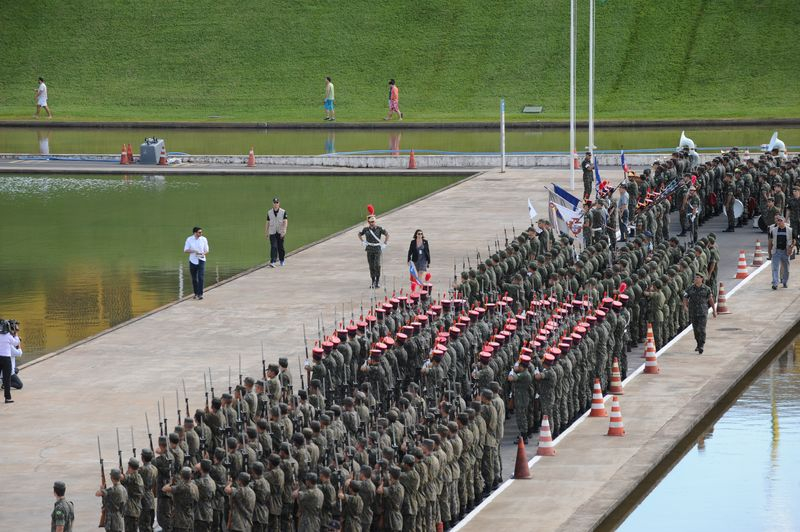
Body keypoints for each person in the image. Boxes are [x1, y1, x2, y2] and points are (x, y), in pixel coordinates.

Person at [682, 272, 717, 354]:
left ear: (702, 279)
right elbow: (685, 297)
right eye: (695, 277)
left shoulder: (707, 289)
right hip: (693, 312)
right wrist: (685, 306)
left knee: (702, 329)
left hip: (703, 312)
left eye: (698, 277)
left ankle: (701, 345)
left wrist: (714, 310)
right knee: (696, 330)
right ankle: (698, 343)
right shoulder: (690, 288)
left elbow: (711, 300)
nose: (696, 279)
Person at [357, 213, 389, 289]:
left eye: (373, 221)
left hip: (377, 248)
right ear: (368, 222)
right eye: (371, 222)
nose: (372, 223)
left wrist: (385, 243)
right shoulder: (366, 229)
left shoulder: (379, 229)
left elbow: (387, 234)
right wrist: (362, 241)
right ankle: (373, 281)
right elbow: (359, 234)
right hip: (369, 249)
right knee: (371, 266)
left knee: (377, 265)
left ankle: (377, 281)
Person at [768, 216, 795, 289]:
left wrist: (791, 247)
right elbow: (770, 242)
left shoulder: (790, 230)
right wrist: (770, 253)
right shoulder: (773, 230)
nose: (779, 222)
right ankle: (775, 283)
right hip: (776, 251)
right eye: (778, 221)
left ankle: (785, 282)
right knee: (775, 268)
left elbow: (794, 240)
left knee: (786, 269)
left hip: (785, 252)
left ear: (784, 221)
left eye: (780, 220)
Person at [183, 226, 209, 299]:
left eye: (201, 232)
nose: (201, 233)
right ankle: (196, 293)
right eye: (199, 232)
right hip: (193, 260)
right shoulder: (189, 239)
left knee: (201, 277)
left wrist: (203, 253)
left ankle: (200, 294)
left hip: (201, 260)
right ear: (195, 233)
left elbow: (207, 250)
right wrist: (194, 251)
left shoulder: (204, 239)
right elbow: (185, 250)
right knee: (194, 278)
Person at [0, 320, 22, 404]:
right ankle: (7, 398)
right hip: (6, 359)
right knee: (7, 379)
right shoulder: (8, 336)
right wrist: (15, 334)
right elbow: (16, 342)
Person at [266, 198, 288, 267]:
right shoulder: (269, 212)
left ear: (279, 204)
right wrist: (266, 232)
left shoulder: (283, 212)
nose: (276, 204)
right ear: (272, 204)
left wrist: (284, 230)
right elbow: (267, 222)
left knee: (280, 247)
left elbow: (285, 221)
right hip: (272, 232)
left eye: (277, 203)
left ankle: (282, 260)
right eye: (274, 203)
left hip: (280, 232)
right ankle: (272, 261)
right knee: (273, 246)